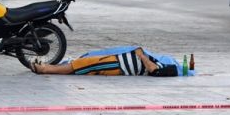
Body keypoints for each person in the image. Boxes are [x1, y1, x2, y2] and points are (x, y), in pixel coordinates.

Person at [31, 46, 194, 77]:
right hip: (117, 59)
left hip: (118, 65)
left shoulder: (170, 69)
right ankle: (46, 66)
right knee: (87, 60)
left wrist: (142, 55)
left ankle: (46, 69)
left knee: (84, 65)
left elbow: (153, 70)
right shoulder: (169, 64)